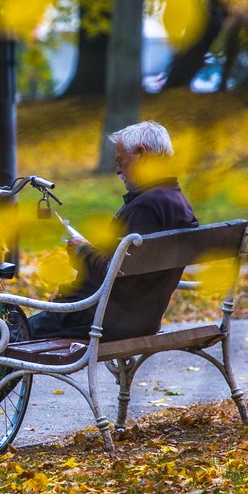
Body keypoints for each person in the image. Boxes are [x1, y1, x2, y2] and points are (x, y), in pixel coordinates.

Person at [27, 120, 199, 341]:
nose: (118, 169)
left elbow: (117, 276)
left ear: (142, 154)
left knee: (12, 334)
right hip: (138, 318)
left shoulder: (146, 207)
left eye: (121, 161)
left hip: (103, 320)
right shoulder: (177, 202)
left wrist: (82, 252)